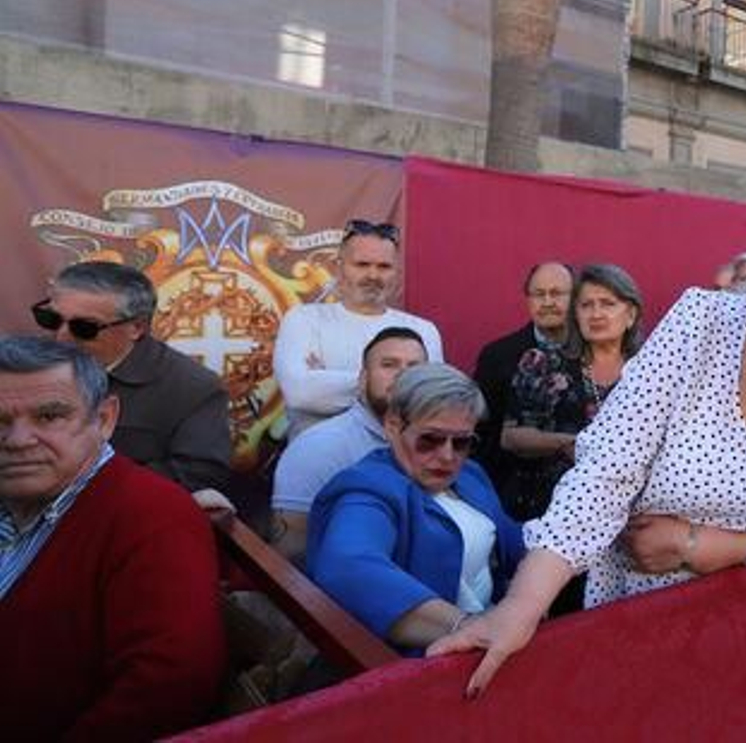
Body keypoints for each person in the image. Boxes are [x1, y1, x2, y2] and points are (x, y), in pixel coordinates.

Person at [427, 215, 746, 696]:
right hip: (644, 619)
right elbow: (605, 472)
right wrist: (521, 606)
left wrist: (705, 546)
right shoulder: (700, 326)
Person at [0, 337, 226, 740]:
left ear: (104, 419)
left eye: (50, 416)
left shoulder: (152, 517)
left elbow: (170, 685)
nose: (18, 441)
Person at [306, 363, 525, 654]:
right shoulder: (368, 489)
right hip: (427, 663)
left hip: (491, 643)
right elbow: (347, 564)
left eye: (461, 442)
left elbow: (519, 544)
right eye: (429, 440)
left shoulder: (471, 476)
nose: (447, 455)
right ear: (393, 426)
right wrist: (466, 627)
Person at [33, 261, 232, 492]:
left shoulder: (193, 388)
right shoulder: (21, 368)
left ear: (136, 328)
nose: (61, 336)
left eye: (85, 328)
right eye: (51, 319)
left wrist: (84, 489)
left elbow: (199, 474)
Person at [496, 264, 643, 522]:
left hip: (632, 513)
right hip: (550, 508)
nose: (596, 314)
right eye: (586, 305)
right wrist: (569, 443)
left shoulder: (651, 371)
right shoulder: (542, 363)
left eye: (607, 304)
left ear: (630, 314)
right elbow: (511, 437)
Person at [273, 220, 443, 440]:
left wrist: (325, 380)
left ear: (396, 272)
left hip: (395, 466)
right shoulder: (303, 319)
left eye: (384, 266)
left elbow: (431, 400)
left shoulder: (423, 330)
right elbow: (300, 394)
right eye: (362, 264)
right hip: (320, 463)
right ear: (339, 267)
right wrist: (402, 385)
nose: (373, 275)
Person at [269, 327, 428, 562]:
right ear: (363, 379)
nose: (403, 376)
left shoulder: (446, 445)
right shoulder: (319, 448)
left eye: (414, 368)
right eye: (389, 365)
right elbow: (290, 557)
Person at [470, 262, 574, 459]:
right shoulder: (497, 355)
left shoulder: (594, 353)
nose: (547, 302)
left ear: (576, 298)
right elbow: (482, 430)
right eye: (538, 294)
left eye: (557, 293)